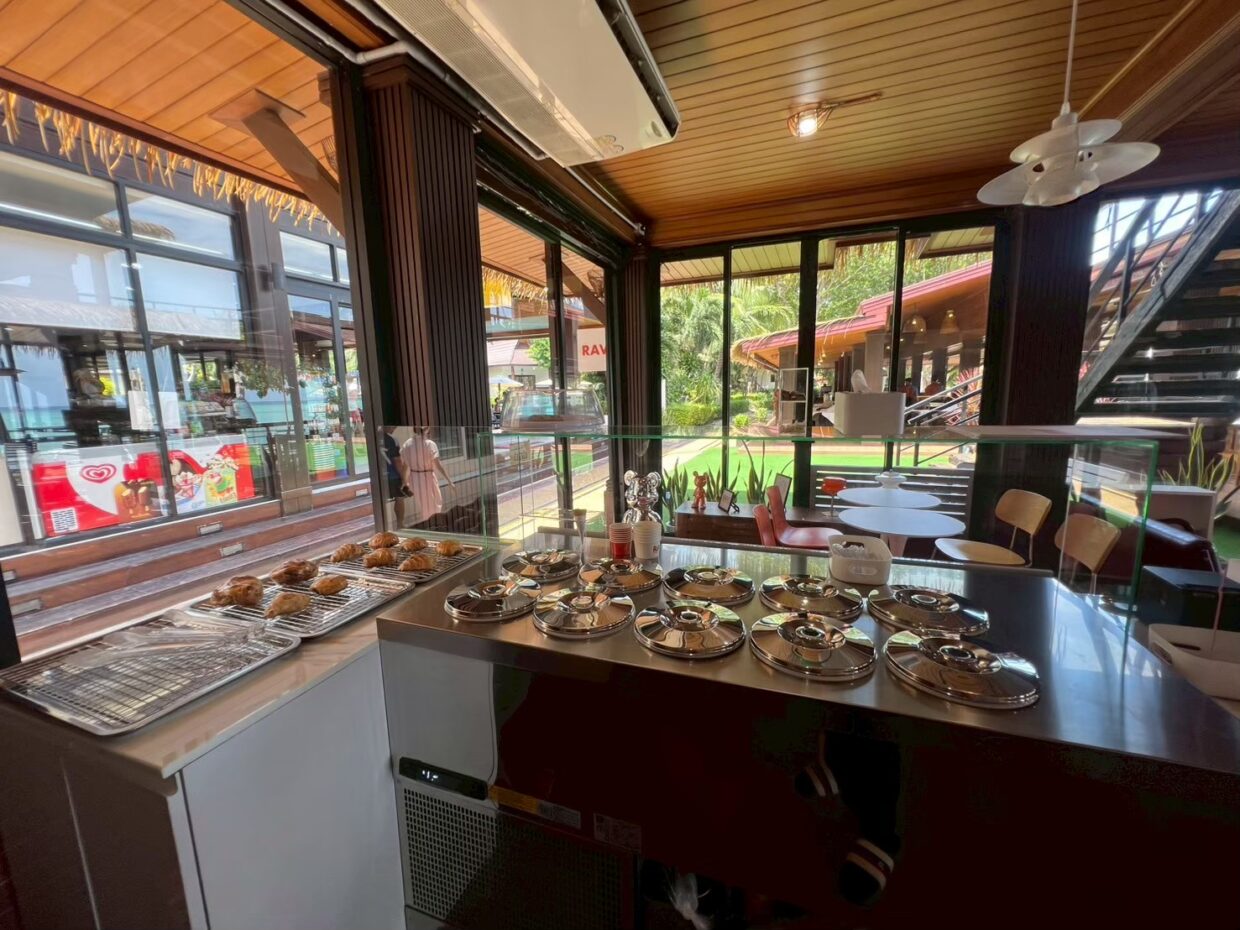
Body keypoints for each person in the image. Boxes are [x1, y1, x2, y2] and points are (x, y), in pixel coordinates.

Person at [400, 426, 455, 525]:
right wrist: (449, 481)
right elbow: (438, 465)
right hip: (428, 477)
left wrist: (405, 483)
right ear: (426, 429)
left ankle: (431, 525)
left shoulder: (407, 444)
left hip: (414, 478)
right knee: (434, 504)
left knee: (425, 506)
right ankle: (433, 526)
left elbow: (405, 466)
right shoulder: (430, 444)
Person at [382, 426, 410, 527]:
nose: (394, 429)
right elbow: (397, 461)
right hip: (393, 475)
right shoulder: (392, 440)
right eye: (393, 427)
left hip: (379, 476)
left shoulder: (373, 438)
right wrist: (404, 478)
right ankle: (400, 524)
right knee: (399, 498)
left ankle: (383, 525)